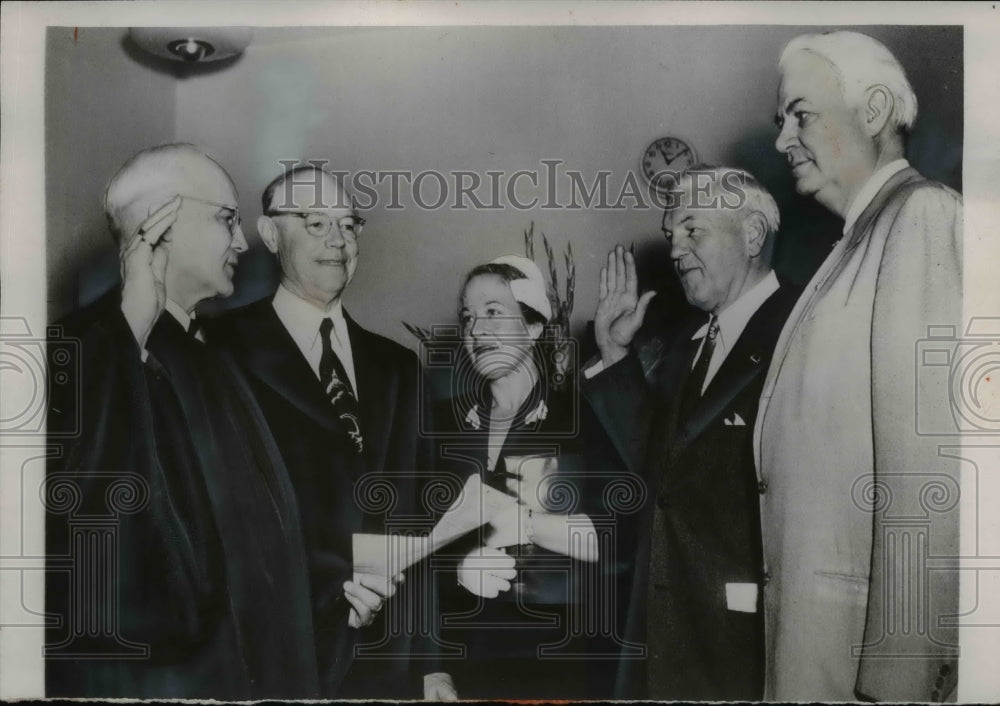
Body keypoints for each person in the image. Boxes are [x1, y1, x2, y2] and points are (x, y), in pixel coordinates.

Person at [44, 143, 320, 699]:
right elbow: (89, 536)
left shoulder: (214, 359)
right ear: (160, 223)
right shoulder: (74, 355)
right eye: (226, 219)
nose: (242, 241)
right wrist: (129, 330)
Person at [759, 31, 962, 700]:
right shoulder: (857, 243)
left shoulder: (921, 218)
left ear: (873, 111)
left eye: (801, 114)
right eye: (780, 121)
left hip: (862, 671)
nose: (784, 139)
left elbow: (926, 480)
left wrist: (897, 682)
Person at [205, 164, 450, 700]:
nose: (338, 240)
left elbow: (420, 517)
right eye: (315, 223)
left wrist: (433, 665)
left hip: (388, 659)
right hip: (276, 655)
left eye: (348, 223)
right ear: (269, 234)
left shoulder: (399, 367)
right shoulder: (219, 352)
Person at [583, 166, 800, 700]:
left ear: (751, 234)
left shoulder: (804, 328)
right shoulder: (684, 343)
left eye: (692, 229)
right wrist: (614, 354)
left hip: (747, 646)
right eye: (670, 235)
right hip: (663, 636)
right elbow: (659, 473)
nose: (675, 248)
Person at [430, 255, 616, 699]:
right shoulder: (444, 427)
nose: (476, 330)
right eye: (468, 317)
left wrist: (527, 526)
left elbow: (622, 537)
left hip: (564, 665)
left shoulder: (586, 416)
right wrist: (457, 569)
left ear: (534, 328)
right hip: (467, 663)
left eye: (493, 312)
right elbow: (419, 541)